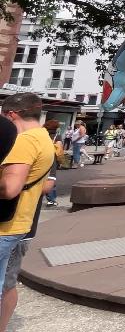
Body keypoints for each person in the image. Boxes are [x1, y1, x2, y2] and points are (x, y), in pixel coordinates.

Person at [0, 93, 56, 321]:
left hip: (5, 226)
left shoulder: (24, 141)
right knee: (7, 284)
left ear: (11, 114)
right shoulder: (44, 138)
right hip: (23, 224)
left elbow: (9, 188)